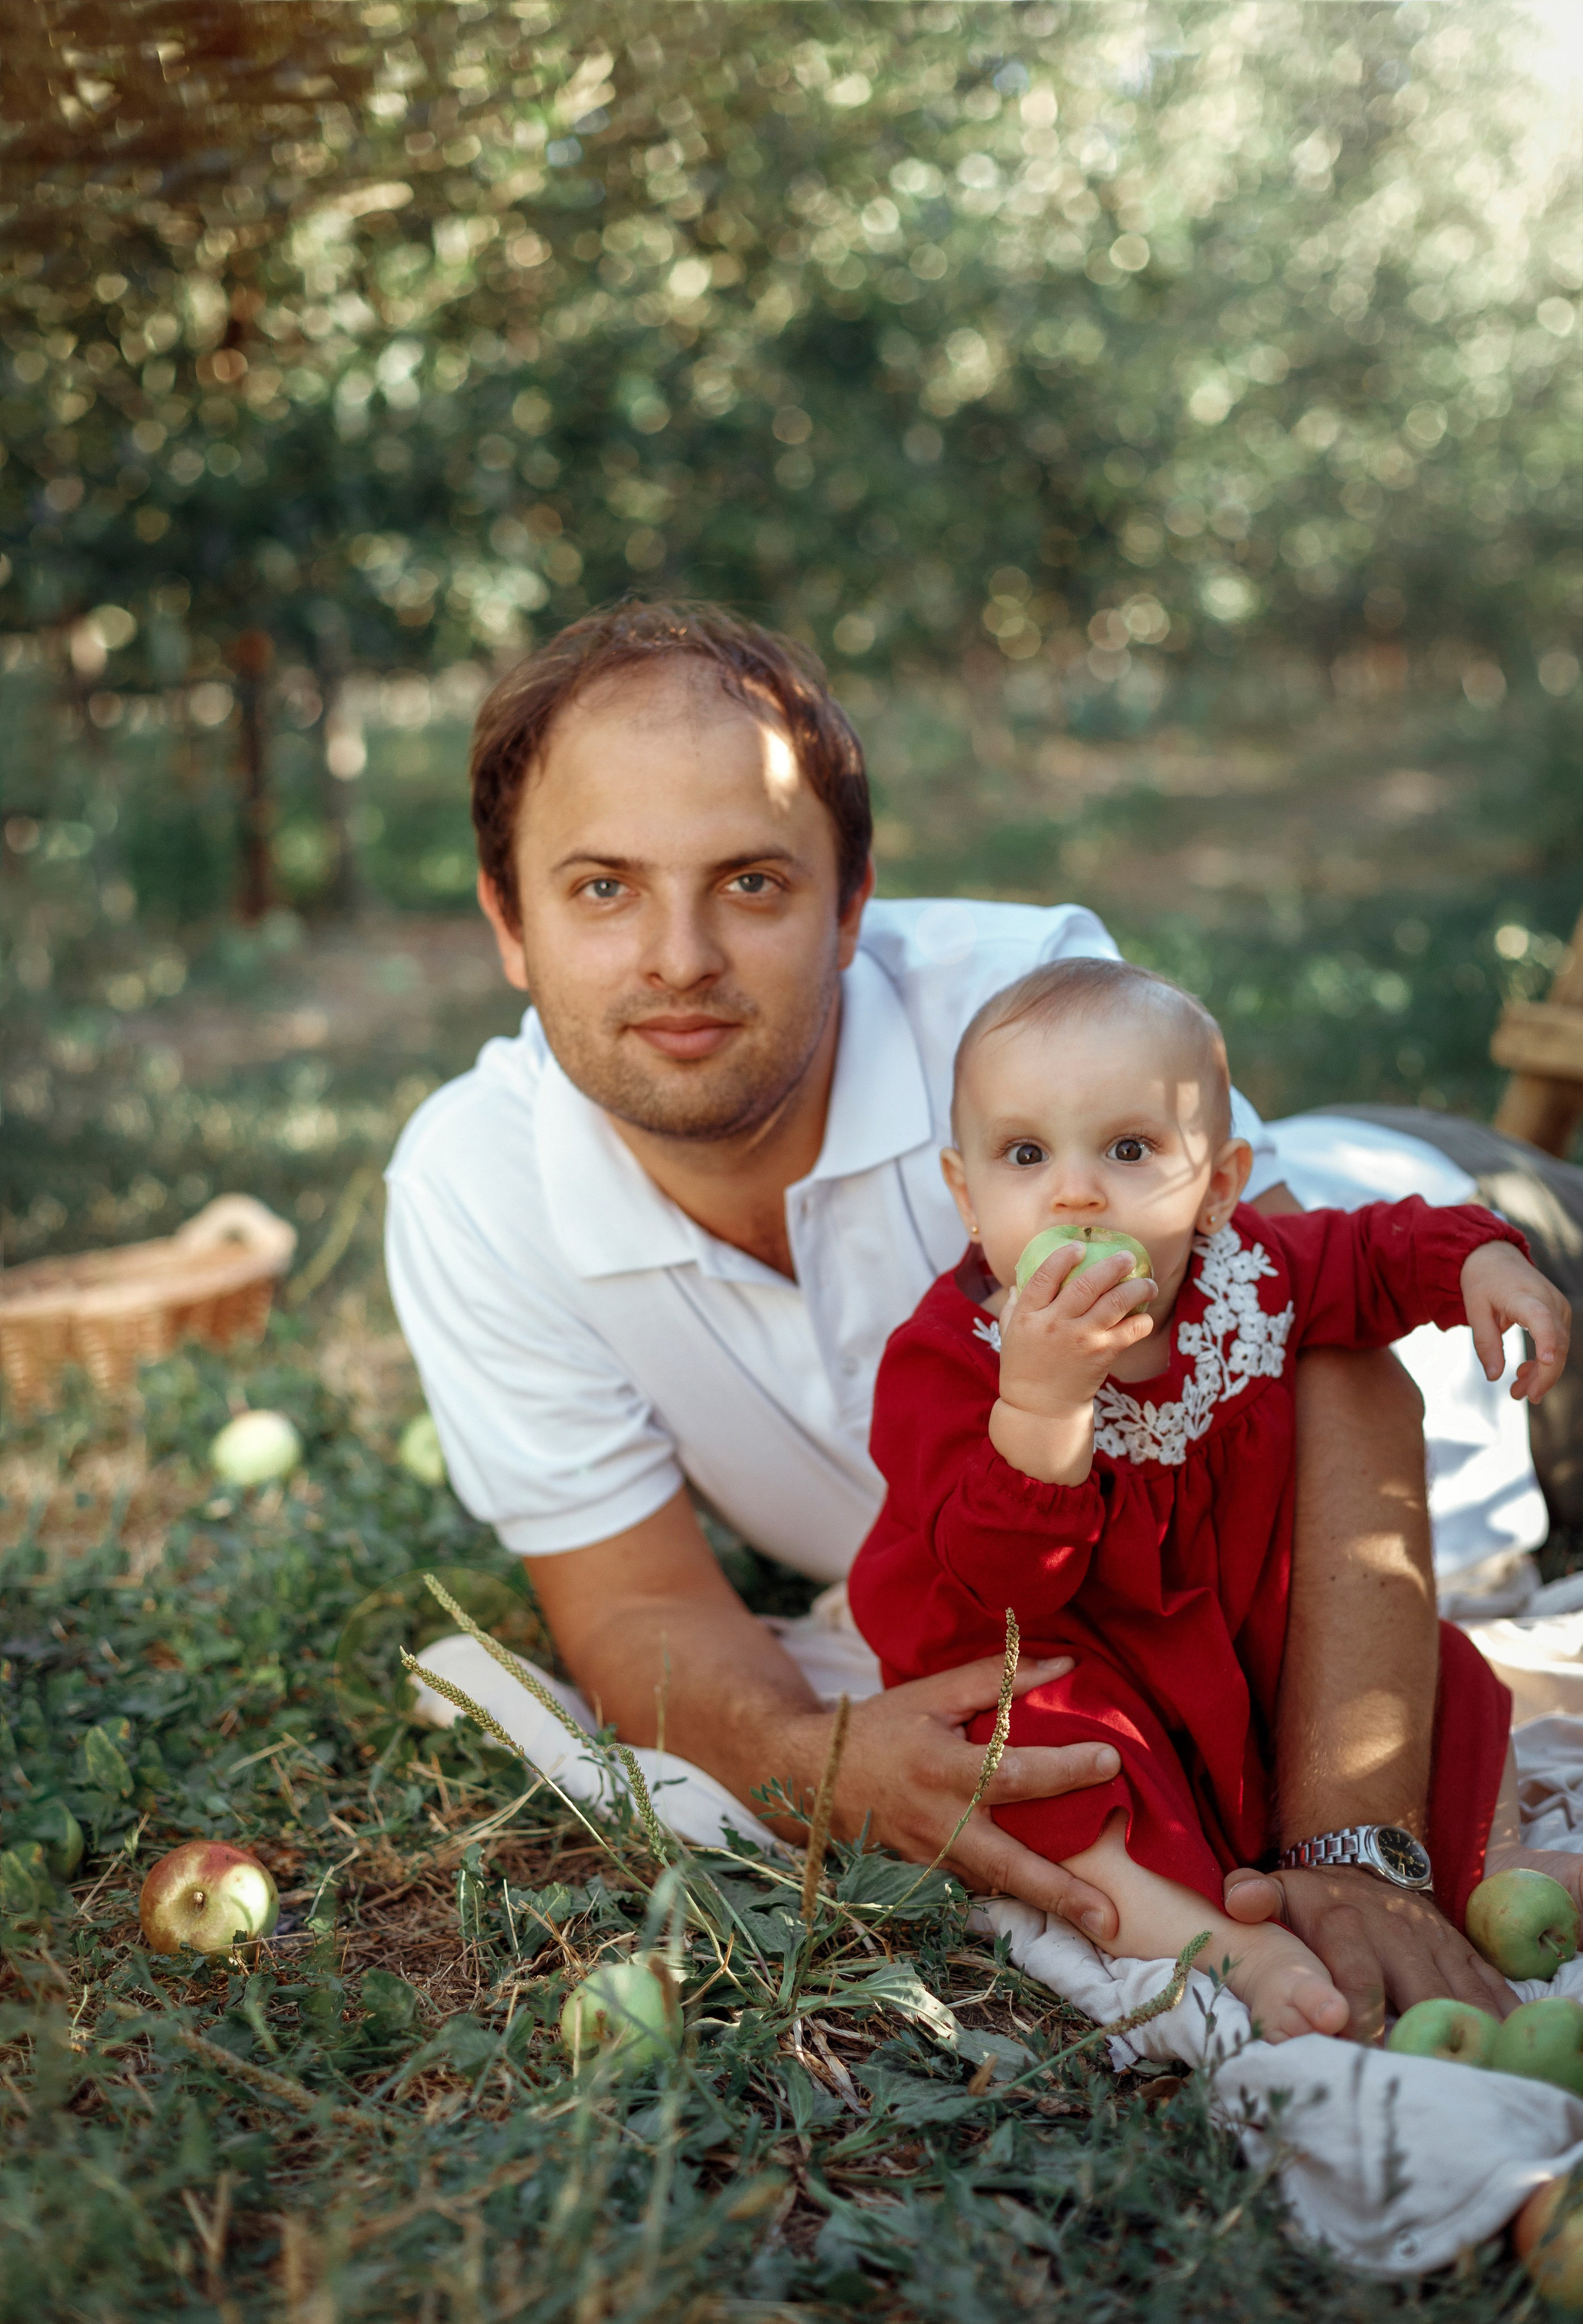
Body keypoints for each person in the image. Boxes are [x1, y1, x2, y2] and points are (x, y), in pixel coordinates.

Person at [384, 599, 1572, 2039]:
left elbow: (1333, 1358)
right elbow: (637, 1605)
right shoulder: (474, 1185)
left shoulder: (1019, 1011)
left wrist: (1350, 1843)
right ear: (507, 921)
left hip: (1477, 1308)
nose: (678, 956)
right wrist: (819, 1761)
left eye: (750, 881)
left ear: (850, 906)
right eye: (600, 888)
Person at [846, 957, 1569, 2040]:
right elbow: (1003, 1579)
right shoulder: (951, 1358)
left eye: (1128, 1148)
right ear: (967, 1193)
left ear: (1220, 1186)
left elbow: (1371, 1254)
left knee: (1438, 1671)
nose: (1075, 1193)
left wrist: (1478, 1260)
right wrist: (1044, 1402)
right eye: (1026, 1154)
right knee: (1047, 1759)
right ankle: (1227, 1941)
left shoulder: (1249, 1277)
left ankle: (1492, 1868)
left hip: (1237, 1635)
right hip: (1063, 1648)